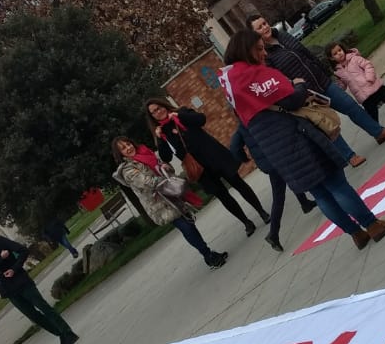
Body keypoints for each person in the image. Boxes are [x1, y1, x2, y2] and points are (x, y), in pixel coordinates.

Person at [222, 29, 385, 250]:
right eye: (259, 49)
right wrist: (298, 83)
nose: (264, 54)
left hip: (277, 150)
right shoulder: (259, 75)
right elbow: (293, 101)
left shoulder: (231, 82)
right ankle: (373, 225)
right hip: (298, 136)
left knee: (320, 193)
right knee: (337, 184)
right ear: (245, 49)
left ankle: (356, 234)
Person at [247, 13, 385, 154]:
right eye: (259, 27)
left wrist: (325, 72)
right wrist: (298, 90)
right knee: (328, 126)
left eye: (264, 23)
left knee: (351, 107)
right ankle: (349, 156)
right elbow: (279, 79)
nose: (265, 27)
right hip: (308, 95)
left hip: (322, 81)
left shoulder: (283, 35)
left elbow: (306, 53)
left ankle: (379, 133)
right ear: (254, 34)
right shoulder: (264, 55)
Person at [145, 97, 269, 237]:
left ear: (164, 106)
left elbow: (201, 119)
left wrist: (180, 116)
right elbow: (166, 157)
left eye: (159, 108)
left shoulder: (182, 112)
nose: (158, 112)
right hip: (200, 169)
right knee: (223, 196)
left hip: (214, 155)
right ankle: (246, 222)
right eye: (154, 112)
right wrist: (160, 139)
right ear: (152, 117)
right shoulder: (162, 133)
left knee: (238, 183)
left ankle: (261, 212)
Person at [112, 139, 230, 269]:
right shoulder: (128, 169)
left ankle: (208, 254)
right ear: (120, 154)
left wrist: (164, 167)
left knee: (189, 223)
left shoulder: (145, 153)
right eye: (123, 148)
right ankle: (208, 256)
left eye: (128, 144)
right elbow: (146, 182)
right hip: (160, 203)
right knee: (186, 226)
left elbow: (165, 167)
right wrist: (162, 175)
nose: (128, 148)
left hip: (171, 194)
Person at [0, 226, 81, 344]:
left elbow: (23, 251)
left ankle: (68, 333)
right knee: (33, 316)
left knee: (44, 307)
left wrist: (14, 268)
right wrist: (0, 258)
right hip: (8, 290)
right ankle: (61, 335)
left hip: (22, 282)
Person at [230, 119, 314, 253]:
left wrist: (245, 158)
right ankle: (273, 234)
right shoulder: (256, 119)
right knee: (279, 196)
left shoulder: (241, 128)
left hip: (268, 163)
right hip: (274, 158)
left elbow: (234, 148)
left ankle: (305, 203)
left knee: (290, 177)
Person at [327, 40, 385, 129]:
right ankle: (379, 130)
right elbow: (343, 84)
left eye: (340, 50)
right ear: (331, 58)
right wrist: (337, 88)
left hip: (373, 86)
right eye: (335, 54)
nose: (339, 53)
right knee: (372, 113)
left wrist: (370, 78)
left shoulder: (354, 58)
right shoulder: (339, 71)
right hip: (363, 96)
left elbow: (367, 65)